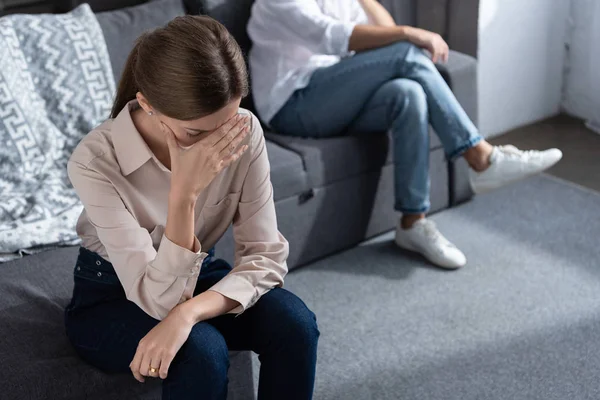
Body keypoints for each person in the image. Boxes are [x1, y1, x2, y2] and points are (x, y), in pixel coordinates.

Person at [64, 16, 318, 400]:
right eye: (196, 133)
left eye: (228, 120)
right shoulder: (94, 160)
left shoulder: (243, 132)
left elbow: (265, 258)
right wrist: (183, 194)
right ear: (148, 105)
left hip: (195, 280)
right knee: (201, 350)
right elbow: (158, 298)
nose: (217, 142)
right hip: (110, 296)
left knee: (294, 323)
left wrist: (189, 313)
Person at [247, 0, 563, 269]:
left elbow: (384, 28)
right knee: (404, 52)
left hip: (333, 95)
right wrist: (409, 33)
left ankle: (413, 222)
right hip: (294, 103)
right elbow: (338, 38)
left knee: (408, 93)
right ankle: (480, 157)